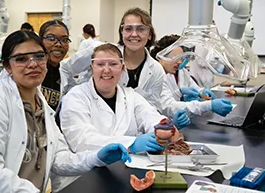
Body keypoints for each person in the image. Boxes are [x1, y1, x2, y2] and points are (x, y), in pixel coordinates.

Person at [0, 30, 131, 192]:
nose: (33, 64)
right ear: (7, 66)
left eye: (39, 57)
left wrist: (96, 158)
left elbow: (58, 158)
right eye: (21, 59)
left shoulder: (42, 107)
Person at [60, 43, 188, 153]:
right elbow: (81, 140)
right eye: (100, 64)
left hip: (127, 167)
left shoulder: (131, 96)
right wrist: (131, 144)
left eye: (113, 64)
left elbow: (149, 116)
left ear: (122, 69)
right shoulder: (75, 97)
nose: (106, 70)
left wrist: (164, 126)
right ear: (91, 68)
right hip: (87, 173)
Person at [150, 35, 233, 120]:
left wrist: (201, 92)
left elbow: (193, 88)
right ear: (161, 56)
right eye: (175, 57)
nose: (179, 62)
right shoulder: (155, 75)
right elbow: (169, 107)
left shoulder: (182, 71)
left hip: (179, 118)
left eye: (181, 58)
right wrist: (208, 105)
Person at [117, 7, 165, 110]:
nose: (134, 34)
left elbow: (152, 108)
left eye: (141, 29)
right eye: (128, 29)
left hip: (140, 124)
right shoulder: (106, 58)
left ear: (150, 35)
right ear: (122, 32)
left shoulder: (156, 69)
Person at [39, 20, 71, 111]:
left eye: (64, 40)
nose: (58, 44)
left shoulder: (65, 76)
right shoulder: (29, 70)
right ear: (40, 41)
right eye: (51, 39)